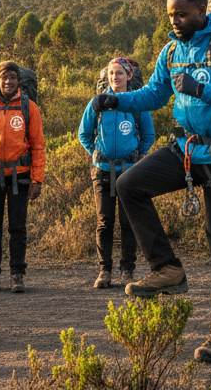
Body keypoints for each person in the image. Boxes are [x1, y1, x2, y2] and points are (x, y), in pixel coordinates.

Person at [93, 0, 211, 364]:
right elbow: (154, 94)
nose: (176, 20)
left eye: (182, 14)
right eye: (171, 14)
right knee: (129, 184)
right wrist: (116, 99)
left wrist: (204, 91)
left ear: (202, 11)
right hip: (184, 150)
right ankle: (167, 269)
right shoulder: (172, 50)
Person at [78, 57, 155, 289]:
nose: (115, 78)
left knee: (128, 222)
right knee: (104, 221)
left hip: (129, 173)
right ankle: (105, 271)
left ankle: (128, 270)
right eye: (112, 73)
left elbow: (148, 135)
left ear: (129, 76)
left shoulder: (136, 103)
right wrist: (97, 153)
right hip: (101, 172)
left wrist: (135, 156)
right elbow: (85, 134)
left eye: (120, 73)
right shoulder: (96, 103)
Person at [0, 61, 46, 294]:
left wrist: (37, 180)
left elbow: (38, 145)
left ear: (18, 80)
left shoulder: (29, 107)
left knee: (18, 227)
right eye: (4, 77)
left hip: (20, 177)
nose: (8, 82)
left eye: (12, 77)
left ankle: (17, 276)